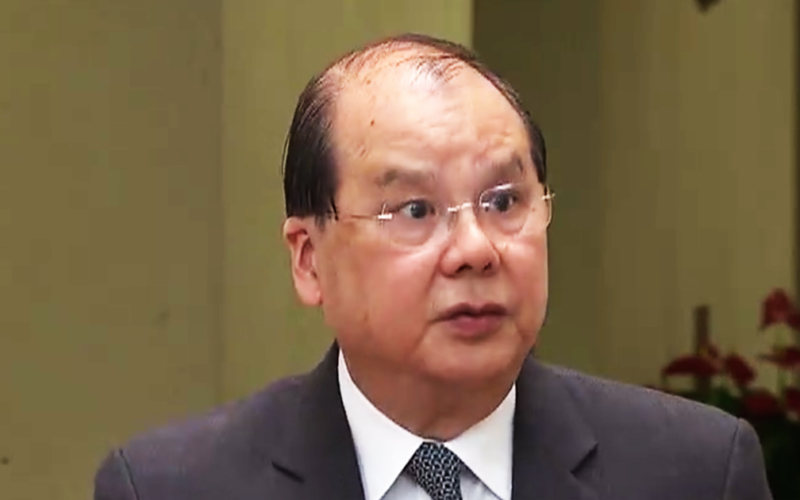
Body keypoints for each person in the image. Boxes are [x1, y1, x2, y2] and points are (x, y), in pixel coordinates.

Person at [93, 33, 772, 500]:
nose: (475, 249)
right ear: (309, 260)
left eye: (504, 201)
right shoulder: (169, 487)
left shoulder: (695, 472)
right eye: (415, 210)